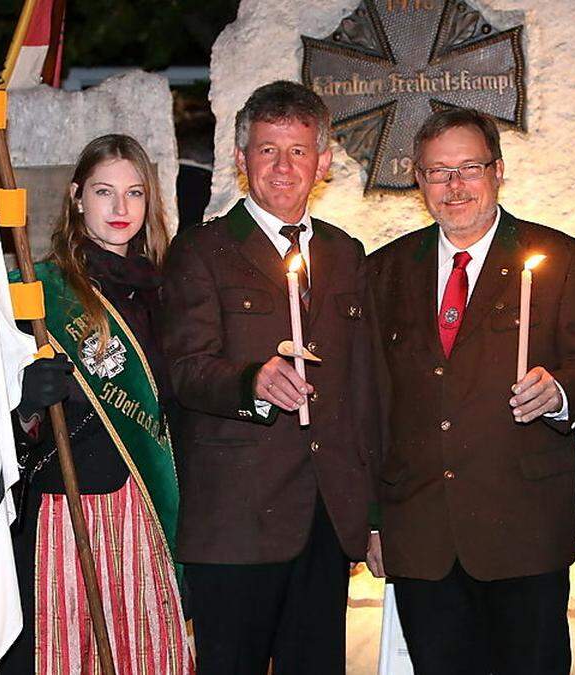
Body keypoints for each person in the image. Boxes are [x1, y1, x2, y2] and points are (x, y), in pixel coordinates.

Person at [365, 107, 575, 675]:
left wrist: (558, 392)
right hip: (421, 532)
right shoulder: (383, 271)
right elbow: (371, 406)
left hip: (521, 528)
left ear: (498, 171)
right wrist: (374, 519)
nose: (454, 186)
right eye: (437, 171)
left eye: (469, 168)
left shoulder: (561, 260)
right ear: (418, 179)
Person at [161, 81, 378, 675]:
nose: (284, 167)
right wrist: (251, 382)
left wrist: (372, 511)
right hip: (236, 521)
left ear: (323, 162)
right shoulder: (201, 252)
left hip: (325, 519)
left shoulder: (345, 253)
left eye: (299, 151)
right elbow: (184, 370)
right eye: (267, 150)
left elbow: (362, 388)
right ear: (240, 160)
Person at [0, 134, 192, 675]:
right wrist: (25, 401)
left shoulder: (169, 290)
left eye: (134, 193)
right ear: (77, 198)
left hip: (151, 505)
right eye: (105, 192)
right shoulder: (37, 294)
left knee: (152, 655)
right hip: (69, 504)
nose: (120, 209)